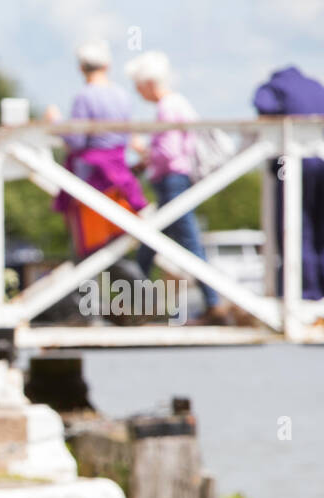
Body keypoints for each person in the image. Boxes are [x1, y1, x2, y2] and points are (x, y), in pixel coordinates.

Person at [126, 51, 231, 324]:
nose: (139, 94)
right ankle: (133, 302)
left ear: (149, 83)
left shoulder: (168, 107)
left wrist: (145, 153)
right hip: (175, 182)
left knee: (181, 243)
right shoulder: (177, 104)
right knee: (152, 244)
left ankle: (212, 303)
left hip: (172, 182)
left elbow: (170, 153)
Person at [45, 41, 148, 259]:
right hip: (120, 177)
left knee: (89, 246)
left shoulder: (84, 97)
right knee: (117, 245)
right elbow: (128, 135)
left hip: (92, 179)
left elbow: (77, 140)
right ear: (107, 65)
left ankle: (86, 291)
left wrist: (55, 123)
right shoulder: (123, 96)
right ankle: (135, 292)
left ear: (81, 68)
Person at [254, 66, 324, 306]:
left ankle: (306, 301)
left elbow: (264, 106)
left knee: (296, 231)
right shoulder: (317, 85)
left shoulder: (274, 87)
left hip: (295, 163)